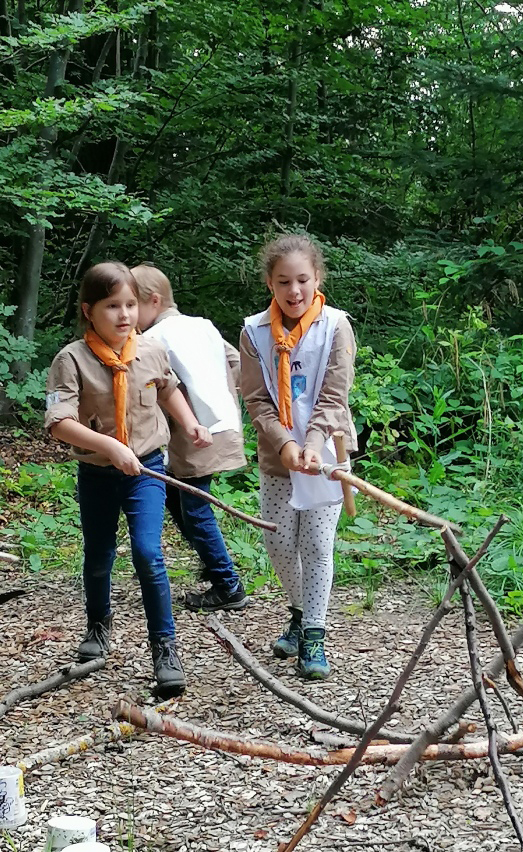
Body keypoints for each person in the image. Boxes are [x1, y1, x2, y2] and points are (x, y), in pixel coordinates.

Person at [45, 261, 212, 697]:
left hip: (147, 468)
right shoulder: (71, 360)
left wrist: (190, 423)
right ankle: (98, 625)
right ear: (88, 310)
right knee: (99, 554)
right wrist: (109, 447)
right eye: (112, 306)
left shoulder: (151, 350)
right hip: (98, 472)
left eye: (131, 305)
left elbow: (167, 388)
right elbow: (59, 422)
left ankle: (165, 647)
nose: (124, 315)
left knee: (147, 552)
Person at [240, 234, 356, 680]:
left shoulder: (335, 325)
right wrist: (285, 444)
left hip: (326, 450)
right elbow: (254, 397)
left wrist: (311, 443)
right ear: (270, 282)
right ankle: (298, 608)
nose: (294, 291)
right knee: (279, 542)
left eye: (302, 280)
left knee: (317, 544)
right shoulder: (254, 332)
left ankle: (314, 632)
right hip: (277, 454)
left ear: (317, 278)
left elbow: (334, 391)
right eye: (284, 281)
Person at [132, 264, 249, 611]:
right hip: (222, 425)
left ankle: (227, 585)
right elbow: (237, 363)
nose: (126, 313)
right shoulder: (203, 326)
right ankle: (211, 560)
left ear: (153, 301)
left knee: (196, 508)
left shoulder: (153, 339)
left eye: (131, 305)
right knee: (174, 495)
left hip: (193, 433)